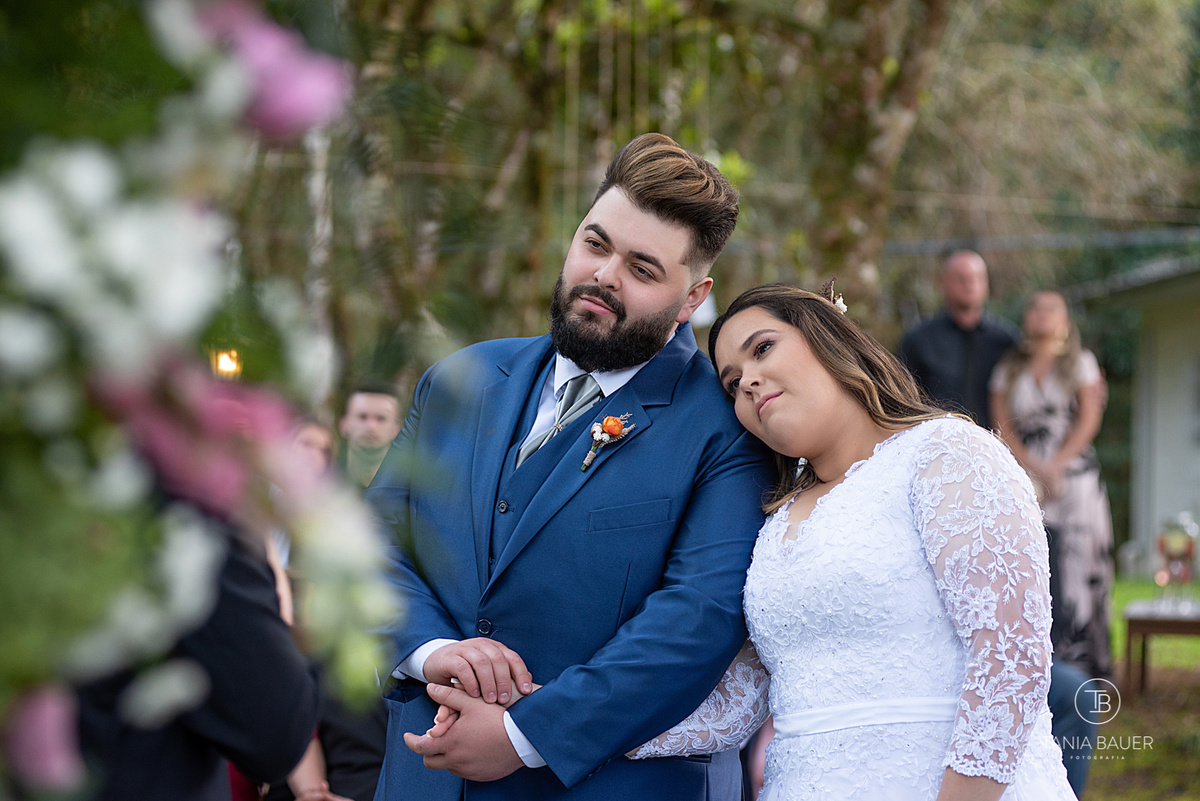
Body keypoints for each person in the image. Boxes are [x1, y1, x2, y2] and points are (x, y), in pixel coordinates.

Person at [367, 132, 774, 800]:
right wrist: (432, 649)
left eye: (642, 269)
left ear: (693, 296)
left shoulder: (727, 427)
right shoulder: (456, 378)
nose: (605, 275)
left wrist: (525, 735)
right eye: (595, 243)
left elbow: (696, 619)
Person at [706, 283, 1075, 800]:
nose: (747, 381)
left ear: (828, 338)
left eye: (762, 349)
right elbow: (737, 703)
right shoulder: (771, 524)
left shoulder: (946, 454)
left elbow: (1010, 663)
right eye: (731, 383)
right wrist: (572, 719)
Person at [989, 290, 1114, 681]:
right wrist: (1034, 468)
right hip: (1024, 473)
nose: (1041, 314)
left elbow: (1089, 420)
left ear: (1065, 321)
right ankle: (1038, 663)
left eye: (1051, 308)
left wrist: (1057, 465)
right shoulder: (1008, 367)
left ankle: (1083, 666)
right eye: (1034, 307)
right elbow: (1001, 423)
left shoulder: (1081, 363)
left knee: (1079, 562)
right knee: (1032, 561)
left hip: (1073, 475)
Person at [898, 250, 1018, 429]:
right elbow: (902, 396)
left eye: (977, 278)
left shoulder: (1006, 341)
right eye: (961, 278)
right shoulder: (919, 340)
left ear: (986, 285)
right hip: (935, 442)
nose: (970, 285)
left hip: (994, 445)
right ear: (943, 283)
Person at [340, 385, 403, 490]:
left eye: (381, 418)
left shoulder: (411, 491)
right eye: (362, 417)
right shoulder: (323, 484)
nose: (371, 427)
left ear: (397, 429)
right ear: (344, 424)